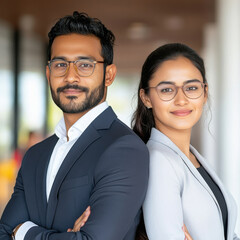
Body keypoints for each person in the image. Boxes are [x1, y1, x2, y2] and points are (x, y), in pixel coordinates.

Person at [0, 11, 149, 240]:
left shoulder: (124, 149)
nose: (71, 77)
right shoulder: (35, 156)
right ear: (49, 73)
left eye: (85, 65)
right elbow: (3, 231)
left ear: (108, 75)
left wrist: (23, 232)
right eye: (60, 64)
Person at [132, 43, 239, 240]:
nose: (181, 100)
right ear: (146, 97)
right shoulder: (159, 160)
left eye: (191, 88)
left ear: (205, 93)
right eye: (166, 90)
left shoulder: (192, 157)